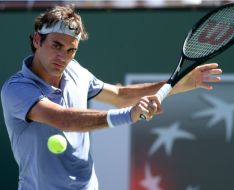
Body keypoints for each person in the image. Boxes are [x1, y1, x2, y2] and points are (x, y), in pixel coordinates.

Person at [0, 5, 222, 190]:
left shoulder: (76, 71)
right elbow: (63, 120)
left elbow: (119, 95)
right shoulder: (17, 89)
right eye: (56, 45)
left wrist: (178, 85)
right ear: (37, 40)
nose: (63, 57)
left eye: (71, 50)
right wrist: (129, 115)